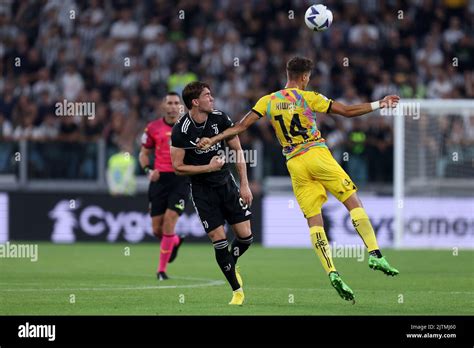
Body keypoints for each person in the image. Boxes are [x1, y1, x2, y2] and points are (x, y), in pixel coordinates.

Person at [197, 57, 400, 303]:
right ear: (305, 77)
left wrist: (213, 139)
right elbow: (347, 112)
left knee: (315, 221)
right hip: (316, 153)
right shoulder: (308, 97)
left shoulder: (268, 100)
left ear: (287, 73)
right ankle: (375, 253)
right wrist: (381, 103)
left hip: (294, 164)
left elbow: (240, 127)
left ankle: (332, 271)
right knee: (352, 201)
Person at [170, 81, 253, 306]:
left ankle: (230, 263)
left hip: (226, 184)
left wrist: (244, 184)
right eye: (207, 95)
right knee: (219, 240)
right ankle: (237, 291)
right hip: (202, 191)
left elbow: (237, 149)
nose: (212, 98)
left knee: (246, 237)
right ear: (195, 102)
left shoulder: (220, 118)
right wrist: (208, 168)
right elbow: (178, 167)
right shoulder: (181, 131)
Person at [139, 92, 189, 281]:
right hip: (159, 180)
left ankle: (161, 270)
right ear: (163, 106)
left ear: (181, 106)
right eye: (169, 103)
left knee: (169, 221)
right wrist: (148, 170)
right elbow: (144, 153)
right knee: (156, 230)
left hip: (180, 178)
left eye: (177, 103)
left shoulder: (188, 127)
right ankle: (175, 241)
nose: (173, 106)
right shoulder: (153, 128)